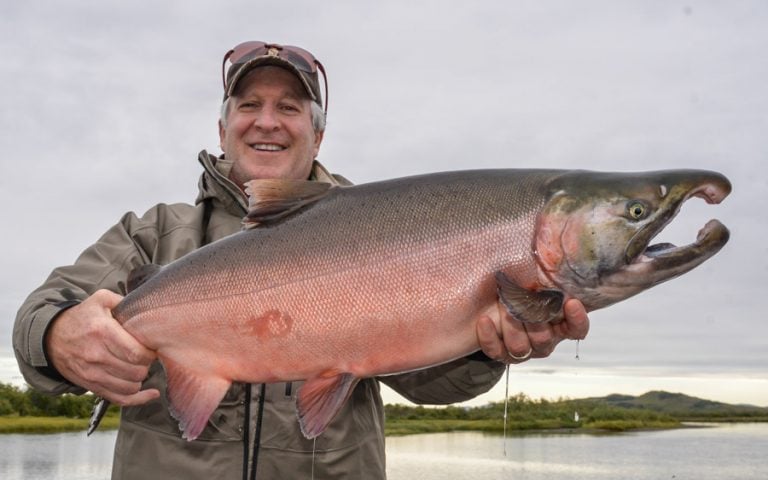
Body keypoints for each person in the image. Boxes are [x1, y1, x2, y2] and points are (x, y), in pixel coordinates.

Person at [13, 41, 590, 479]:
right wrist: (56, 335)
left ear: (317, 136)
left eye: (289, 107)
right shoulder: (153, 234)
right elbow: (37, 316)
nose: (267, 121)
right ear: (223, 127)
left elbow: (431, 383)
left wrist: (488, 347)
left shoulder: (381, 233)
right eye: (250, 105)